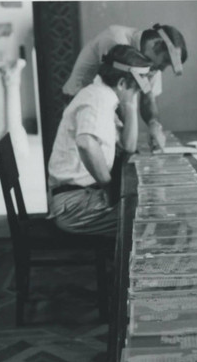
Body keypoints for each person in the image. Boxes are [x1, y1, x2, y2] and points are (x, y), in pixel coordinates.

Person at [47, 45, 153, 237]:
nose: (135, 94)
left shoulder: (103, 96)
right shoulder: (98, 98)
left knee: (148, 212)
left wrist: (130, 103)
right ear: (121, 83)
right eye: (135, 89)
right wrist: (107, 185)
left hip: (79, 197)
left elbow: (129, 145)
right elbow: (85, 142)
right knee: (151, 220)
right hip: (73, 203)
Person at [63, 23, 188, 151]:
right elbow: (122, 97)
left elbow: (148, 96)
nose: (162, 69)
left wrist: (154, 124)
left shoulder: (153, 62)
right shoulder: (115, 40)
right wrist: (128, 141)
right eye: (165, 61)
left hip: (109, 109)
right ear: (155, 45)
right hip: (82, 108)